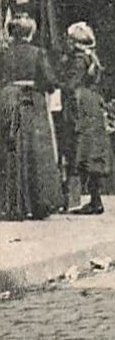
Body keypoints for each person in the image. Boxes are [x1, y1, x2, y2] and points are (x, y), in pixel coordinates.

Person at [0, 15, 63, 220]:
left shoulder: (4, 54)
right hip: (32, 103)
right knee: (36, 152)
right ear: (30, 32)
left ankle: (11, 203)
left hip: (7, 101)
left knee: (11, 151)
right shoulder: (38, 54)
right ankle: (38, 203)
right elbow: (50, 81)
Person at [60, 23, 113, 215]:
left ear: (74, 42)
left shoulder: (78, 60)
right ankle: (95, 198)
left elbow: (69, 84)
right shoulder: (92, 58)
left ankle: (85, 199)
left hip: (80, 104)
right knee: (92, 151)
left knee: (81, 149)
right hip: (92, 104)